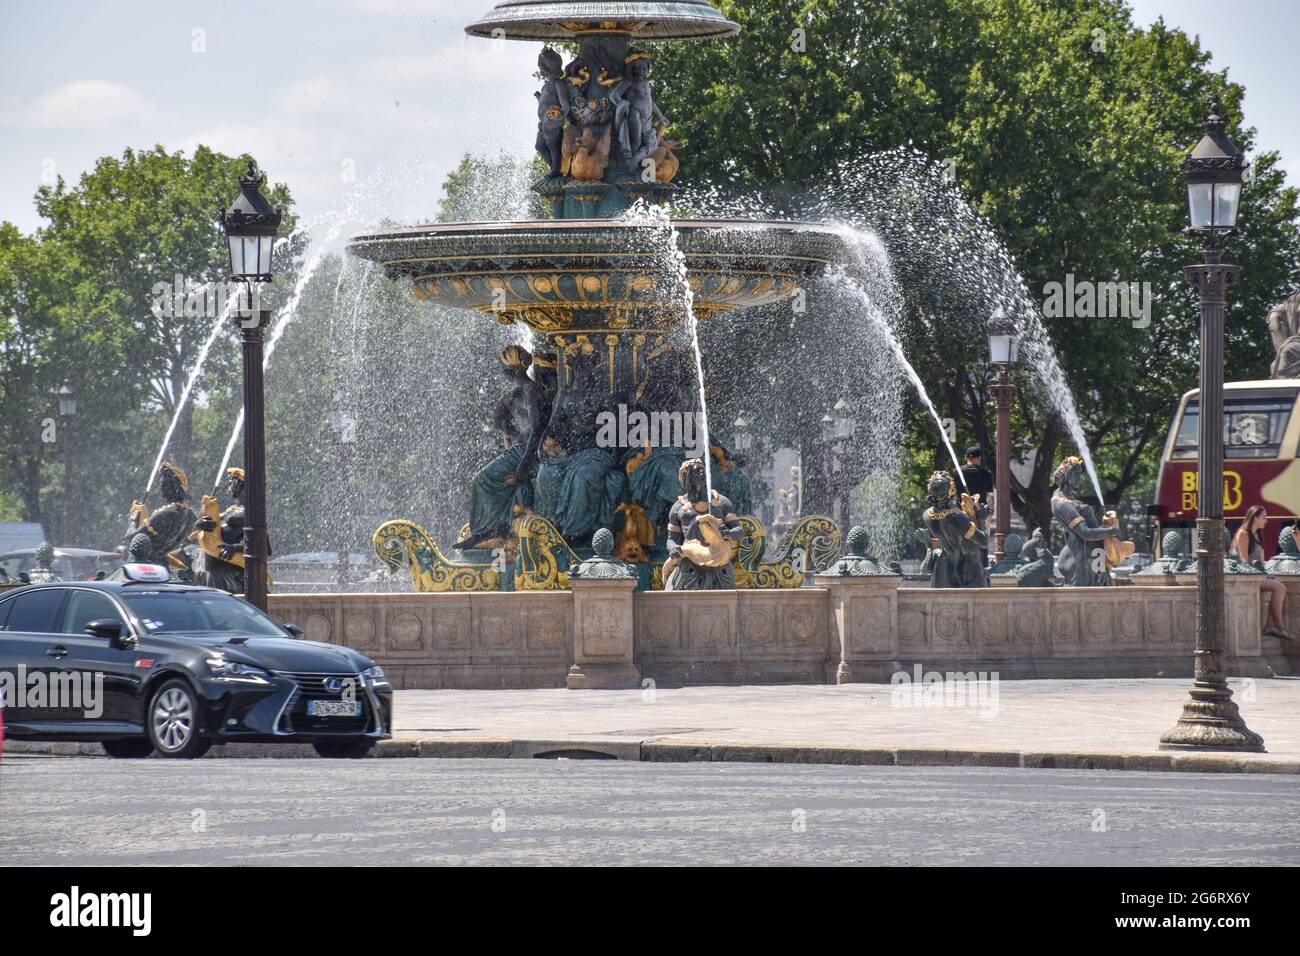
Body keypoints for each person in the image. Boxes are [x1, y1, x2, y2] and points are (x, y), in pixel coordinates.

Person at [1231, 505, 1295, 641]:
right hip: (1245, 575)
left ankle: (1271, 626)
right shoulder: (1243, 534)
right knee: (1280, 587)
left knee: (1279, 586)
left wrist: (1265, 573)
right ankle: (1278, 626)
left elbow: (1261, 561)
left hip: (1256, 573)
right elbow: (1244, 562)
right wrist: (1261, 572)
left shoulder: (1258, 535)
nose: (1266, 520)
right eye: (1264, 517)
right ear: (1255, 517)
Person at [959, 446, 994, 569]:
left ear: (965, 458)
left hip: (960, 514)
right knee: (981, 544)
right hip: (980, 514)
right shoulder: (986, 474)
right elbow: (989, 497)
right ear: (979, 458)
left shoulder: (957, 471)